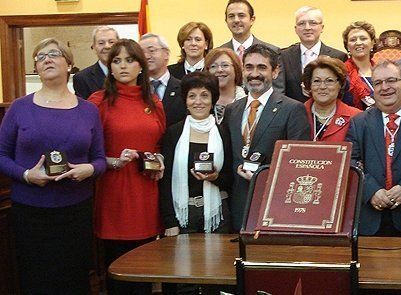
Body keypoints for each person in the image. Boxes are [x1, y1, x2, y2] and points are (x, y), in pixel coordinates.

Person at [0, 38, 106, 294]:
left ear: (69, 64)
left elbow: (100, 159)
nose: (46, 59)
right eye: (40, 56)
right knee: (36, 278)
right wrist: (26, 175)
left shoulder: (89, 110)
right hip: (30, 210)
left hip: (75, 210)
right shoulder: (19, 108)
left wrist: (88, 170)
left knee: (74, 278)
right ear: (36, 67)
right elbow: (1, 155)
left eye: (54, 54)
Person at [88, 39, 166, 294]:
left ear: (141, 67)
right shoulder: (98, 102)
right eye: (117, 61)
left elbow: (157, 146)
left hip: (145, 192)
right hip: (114, 193)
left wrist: (159, 161)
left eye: (130, 60)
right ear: (109, 68)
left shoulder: (154, 102)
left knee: (143, 268)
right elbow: (90, 153)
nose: (123, 66)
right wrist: (115, 161)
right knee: (117, 271)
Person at [223, 44, 311, 230]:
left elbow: (298, 163)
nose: (254, 73)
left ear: (275, 72)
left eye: (262, 67)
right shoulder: (232, 110)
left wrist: (265, 177)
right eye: (249, 67)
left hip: (276, 205)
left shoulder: (292, 109)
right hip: (239, 205)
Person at [346, 60, 401, 236]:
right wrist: (371, 189)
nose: (384, 87)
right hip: (370, 219)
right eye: (378, 83)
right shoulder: (359, 122)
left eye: (391, 80)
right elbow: (351, 162)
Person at [160, 71, 233, 235]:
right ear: (185, 101)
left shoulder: (223, 133)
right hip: (184, 215)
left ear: (213, 100)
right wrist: (169, 220)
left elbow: (230, 178)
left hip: (218, 213)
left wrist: (215, 177)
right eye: (192, 96)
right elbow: (165, 180)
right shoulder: (174, 133)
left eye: (204, 95)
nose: (198, 102)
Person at [281, 6, 347, 103]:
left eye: (313, 23)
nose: (307, 28)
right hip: (291, 114)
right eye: (301, 23)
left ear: (322, 28)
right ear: (295, 29)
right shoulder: (283, 56)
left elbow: (342, 90)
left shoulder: (338, 56)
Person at [218, 0, 284, 93]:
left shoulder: (272, 51)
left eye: (241, 15)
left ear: (252, 19)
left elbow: (278, 91)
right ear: (226, 21)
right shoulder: (219, 53)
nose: (236, 20)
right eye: (231, 16)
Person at [302, 56, 360, 142]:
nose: (322, 87)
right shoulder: (296, 114)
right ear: (309, 85)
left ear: (340, 84)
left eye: (329, 81)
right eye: (316, 81)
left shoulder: (357, 117)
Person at [139, 33, 187, 127]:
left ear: (166, 54)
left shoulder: (183, 89)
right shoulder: (135, 88)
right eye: (141, 53)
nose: (146, 56)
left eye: (151, 50)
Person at [73, 26, 119, 99]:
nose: (107, 46)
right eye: (101, 43)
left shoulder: (131, 73)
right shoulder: (82, 78)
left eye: (111, 42)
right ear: (94, 47)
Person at [342, 21, 377, 110]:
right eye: (353, 40)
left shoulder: (382, 72)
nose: (358, 43)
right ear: (347, 46)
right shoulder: (341, 73)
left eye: (363, 38)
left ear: (372, 43)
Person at [204, 48, 245, 124]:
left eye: (225, 65)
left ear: (236, 69)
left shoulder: (247, 102)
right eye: (213, 66)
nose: (219, 70)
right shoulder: (201, 101)